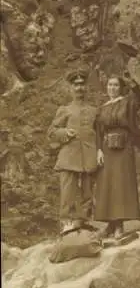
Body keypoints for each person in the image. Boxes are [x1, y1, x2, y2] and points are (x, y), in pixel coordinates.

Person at [94, 74, 140, 241]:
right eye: (110, 85)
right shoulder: (102, 108)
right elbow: (98, 132)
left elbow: (139, 104)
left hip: (124, 148)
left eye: (116, 85)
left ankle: (119, 225)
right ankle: (110, 225)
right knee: (107, 185)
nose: (112, 88)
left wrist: (135, 85)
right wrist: (99, 150)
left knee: (121, 184)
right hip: (107, 149)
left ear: (121, 88)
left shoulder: (127, 103)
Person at [47, 68, 97, 235]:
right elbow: (51, 132)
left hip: (89, 157)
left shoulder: (93, 111)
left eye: (82, 85)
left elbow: (99, 132)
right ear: (71, 88)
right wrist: (64, 133)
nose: (79, 88)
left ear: (86, 88)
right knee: (68, 193)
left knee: (87, 193)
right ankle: (66, 224)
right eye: (76, 85)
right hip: (69, 158)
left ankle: (84, 222)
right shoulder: (65, 110)